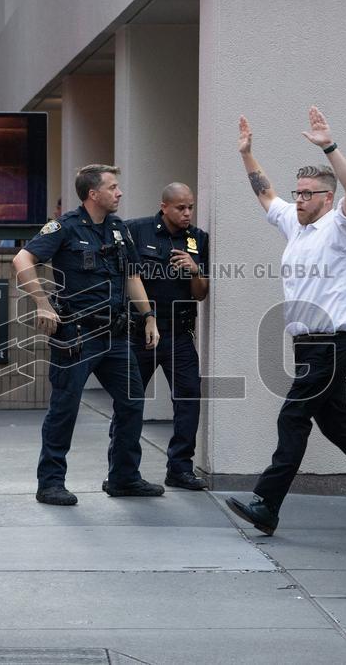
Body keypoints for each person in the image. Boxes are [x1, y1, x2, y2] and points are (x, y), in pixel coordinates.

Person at [225, 106, 346, 535]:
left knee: (292, 417)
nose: (299, 199)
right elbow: (265, 193)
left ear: (327, 199)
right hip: (309, 344)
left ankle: (266, 504)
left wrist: (329, 145)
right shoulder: (297, 226)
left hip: (333, 342)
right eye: (298, 193)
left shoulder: (342, 228)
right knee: (337, 423)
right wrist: (246, 154)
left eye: (308, 194)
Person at [12, 164, 165, 506]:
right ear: (93, 194)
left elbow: (131, 275)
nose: (119, 192)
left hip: (116, 336)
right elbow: (22, 260)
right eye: (113, 187)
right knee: (64, 408)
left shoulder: (117, 229)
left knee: (132, 402)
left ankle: (124, 477)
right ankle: (50, 483)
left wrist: (149, 317)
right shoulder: (64, 228)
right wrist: (41, 303)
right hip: (76, 336)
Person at [122, 183, 210, 490]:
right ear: (164, 207)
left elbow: (201, 295)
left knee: (189, 400)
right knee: (130, 403)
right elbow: (127, 279)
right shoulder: (136, 231)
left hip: (180, 334)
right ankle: (122, 472)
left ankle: (180, 468)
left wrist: (195, 271)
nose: (187, 213)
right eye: (180, 208)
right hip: (140, 334)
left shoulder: (198, 240)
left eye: (190, 207)